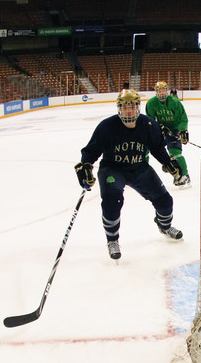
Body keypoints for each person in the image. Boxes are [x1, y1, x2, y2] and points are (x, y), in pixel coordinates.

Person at [74, 88, 184, 261]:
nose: (128, 110)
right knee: (112, 201)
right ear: (119, 108)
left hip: (139, 168)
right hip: (112, 169)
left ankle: (164, 226)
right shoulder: (107, 126)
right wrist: (85, 166)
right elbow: (91, 150)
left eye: (132, 106)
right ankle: (112, 241)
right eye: (124, 107)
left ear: (137, 107)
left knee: (165, 201)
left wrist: (167, 162)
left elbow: (157, 147)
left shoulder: (148, 124)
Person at [145, 81, 190, 186]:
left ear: (167, 90)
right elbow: (150, 120)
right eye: (159, 91)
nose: (161, 93)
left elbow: (182, 118)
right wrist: (157, 127)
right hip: (160, 130)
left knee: (175, 153)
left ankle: (184, 175)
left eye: (163, 90)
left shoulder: (175, 102)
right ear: (156, 92)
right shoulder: (151, 103)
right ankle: (141, 172)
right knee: (145, 148)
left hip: (174, 129)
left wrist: (182, 130)